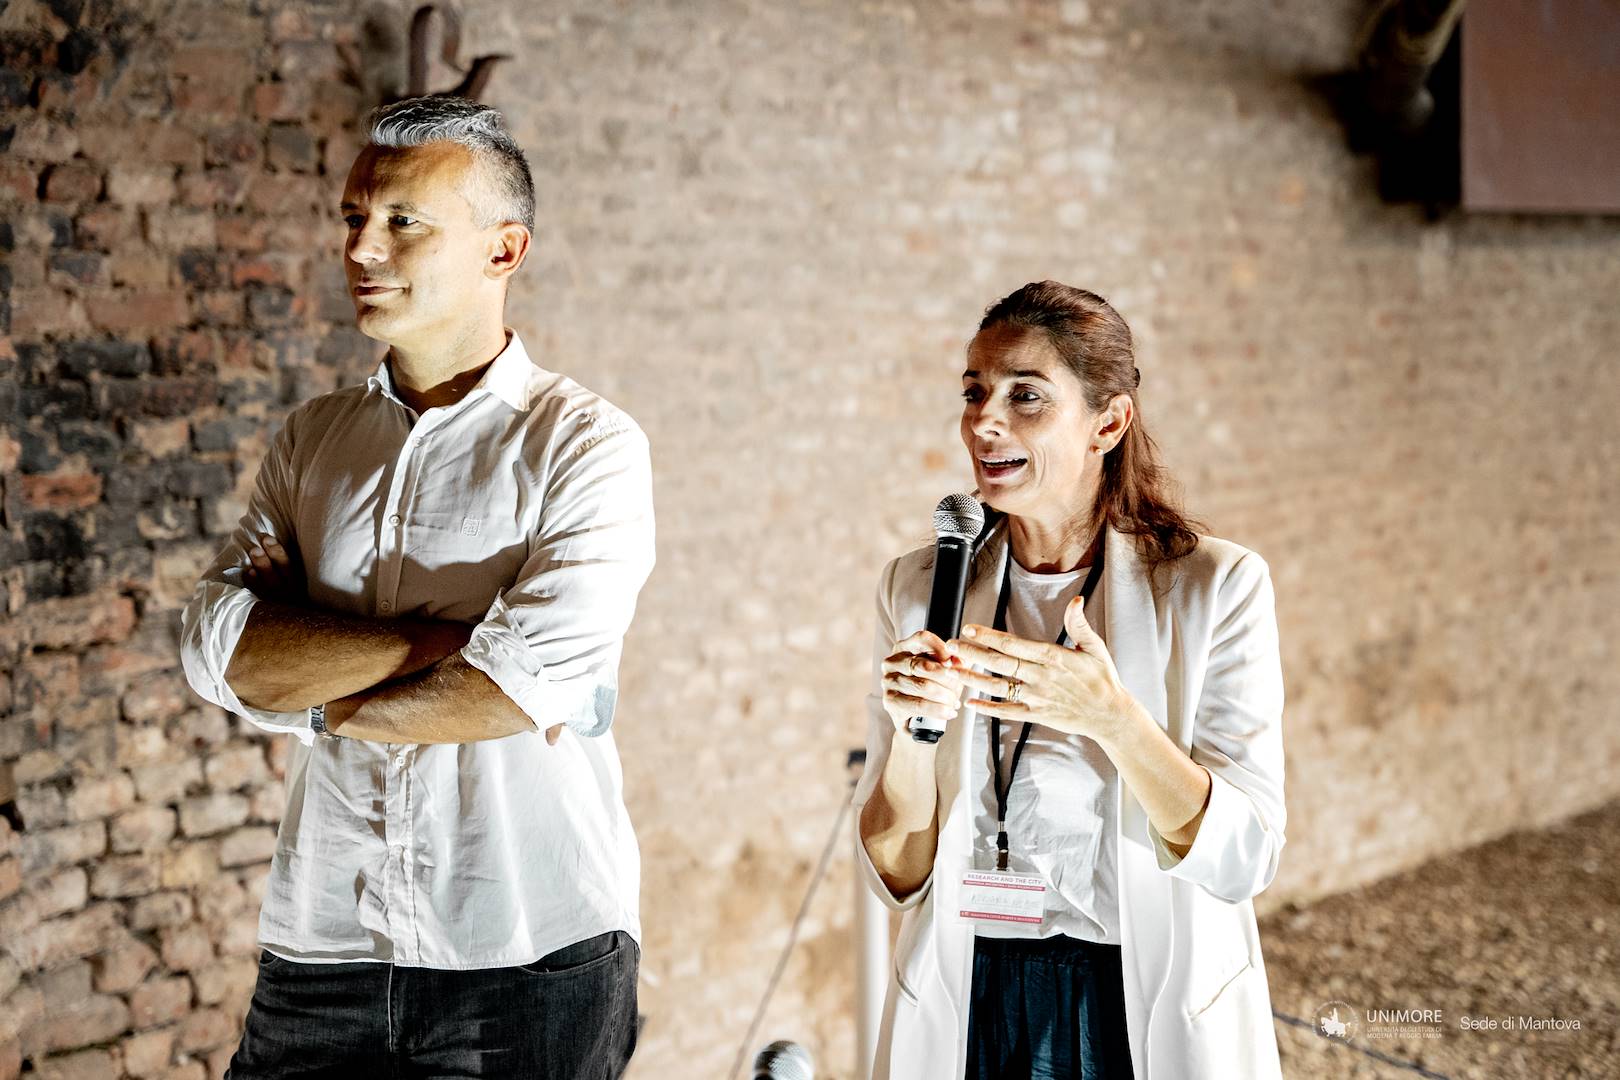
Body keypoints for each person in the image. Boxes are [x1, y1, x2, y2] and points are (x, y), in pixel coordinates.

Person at [178, 95, 654, 1078]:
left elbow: (511, 688)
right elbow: (215, 644)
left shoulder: (587, 446)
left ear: (502, 250)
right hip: (322, 942)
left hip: (529, 950)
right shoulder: (313, 440)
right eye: (355, 217)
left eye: (403, 222)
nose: (361, 248)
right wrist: (443, 646)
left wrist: (309, 697)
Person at [853, 281, 1286, 1079]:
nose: (984, 422)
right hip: (969, 993)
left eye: (1025, 396)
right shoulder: (917, 589)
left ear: (1107, 424)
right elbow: (898, 874)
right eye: (975, 392)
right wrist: (914, 738)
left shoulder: (1215, 587)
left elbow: (1245, 857)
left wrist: (1112, 718)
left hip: (1133, 999)